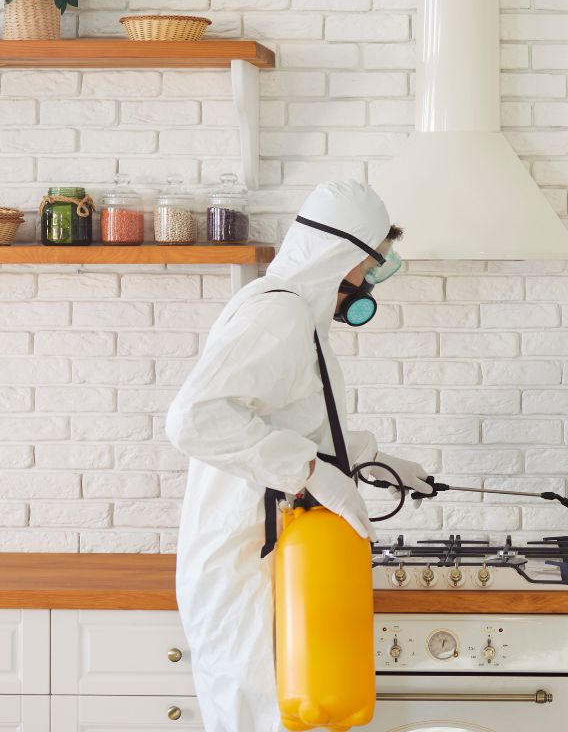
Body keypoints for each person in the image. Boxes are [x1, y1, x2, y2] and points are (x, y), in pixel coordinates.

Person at [167, 181, 434, 732]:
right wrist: (310, 471)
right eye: (368, 266)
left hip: (278, 561)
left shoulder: (297, 320)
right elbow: (195, 418)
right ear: (339, 255)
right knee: (266, 720)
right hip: (247, 570)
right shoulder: (278, 317)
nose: (367, 282)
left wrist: (372, 460)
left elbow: (291, 423)